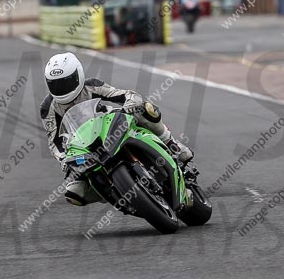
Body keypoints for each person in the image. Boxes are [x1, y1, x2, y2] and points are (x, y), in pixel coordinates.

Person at [39, 52, 195, 206]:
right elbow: (54, 142)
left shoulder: (92, 85)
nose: (61, 88)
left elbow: (122, 94)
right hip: (81, 146)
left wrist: (130, 102)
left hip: (107, 125)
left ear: (78, 75)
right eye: (55, 84)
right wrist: (63, 159)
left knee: (144, 108)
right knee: (74, 193)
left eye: (65, 82)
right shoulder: (48, 108)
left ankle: (169, 142)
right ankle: (110, 193)